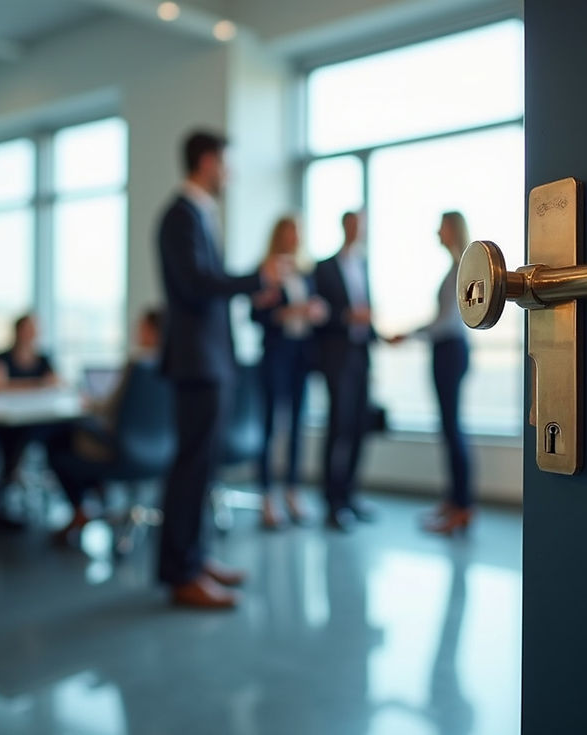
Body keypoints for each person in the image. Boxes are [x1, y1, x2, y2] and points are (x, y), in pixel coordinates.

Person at [156, 129, 289, 608]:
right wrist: (255, 278)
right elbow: (195, 285)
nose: (229, 174)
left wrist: (252, 287)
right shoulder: (180, 215)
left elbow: (207, 286)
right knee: (191, 467)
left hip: (210, 359)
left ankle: (195, 558)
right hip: (196, 361)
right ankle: (180, 571)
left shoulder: (198, 214)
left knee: (203, 468)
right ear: (208, 161)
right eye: (226, 163)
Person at [50, 308, 164, 542]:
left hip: (122, 451)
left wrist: (89, 404)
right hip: (161, 450)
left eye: (141, 326)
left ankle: (82, 507)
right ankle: (97, 496)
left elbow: (112, 407)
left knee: (57, 442)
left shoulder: (139, 366)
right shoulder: (171, 365)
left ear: (152, 331)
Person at [313, 211, 393, 532]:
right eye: (356, 224)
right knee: (338, 428)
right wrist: (346, 316)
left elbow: (366, 312)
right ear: (345, 226)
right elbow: (320, 314)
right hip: (336, 358)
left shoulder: (363, 265)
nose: (360, 230)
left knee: (360, 427)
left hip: (361, 356)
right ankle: (332, 502)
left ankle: (350, 496)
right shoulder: (325, 267)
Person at [398, 212, 476, 534]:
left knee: (453, 428)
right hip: (446, 350)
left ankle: (462, 506)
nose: (436, 232)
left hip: (449, 350)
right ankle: (454, 501)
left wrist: (410, 334)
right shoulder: (454, 269)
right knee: (448, 428)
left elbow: (446, 321)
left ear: (452, 229)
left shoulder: (461, 270)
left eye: (441, 226)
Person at [250, 216, 328, 529]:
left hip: (300, 356)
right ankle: (266, 496)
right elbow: (257, 314)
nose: (294, 238)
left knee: (297, 425)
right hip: (275, 355)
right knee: (270, 426)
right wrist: (287, 312)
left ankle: (292, 491)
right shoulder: (265, 270)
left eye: (298, 233)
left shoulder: (305, 273)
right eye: (289, 232)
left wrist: (315, 311)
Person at [0, 313, 59, 492]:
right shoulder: (0, 358)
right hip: (4, 418)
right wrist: (37, 384)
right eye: (27, 329)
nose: (31, 334)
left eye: (34, 330)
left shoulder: (43, 359)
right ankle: (6, 480)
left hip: (37, 418)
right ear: (17, 331)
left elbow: (56, 383)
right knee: (11, 436)